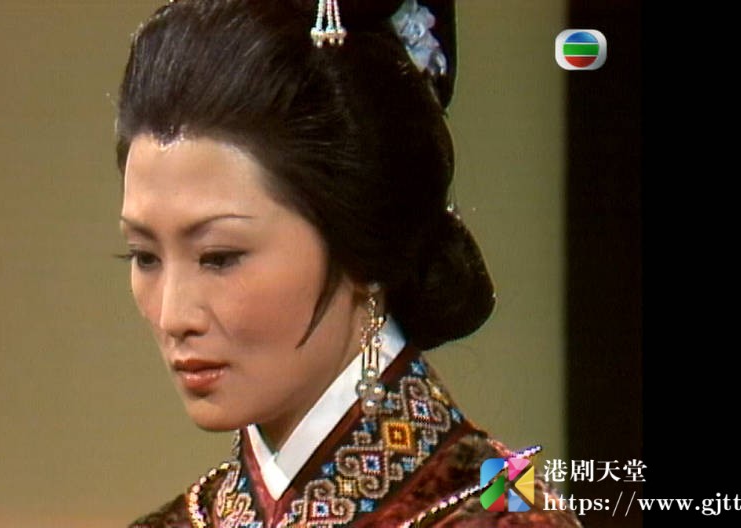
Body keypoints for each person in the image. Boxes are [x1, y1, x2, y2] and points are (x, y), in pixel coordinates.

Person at [114, 0, 581, 526]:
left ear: (363, 239)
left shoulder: (505, 513)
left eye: (219, 257)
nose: (173, 316)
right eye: (145, 257)